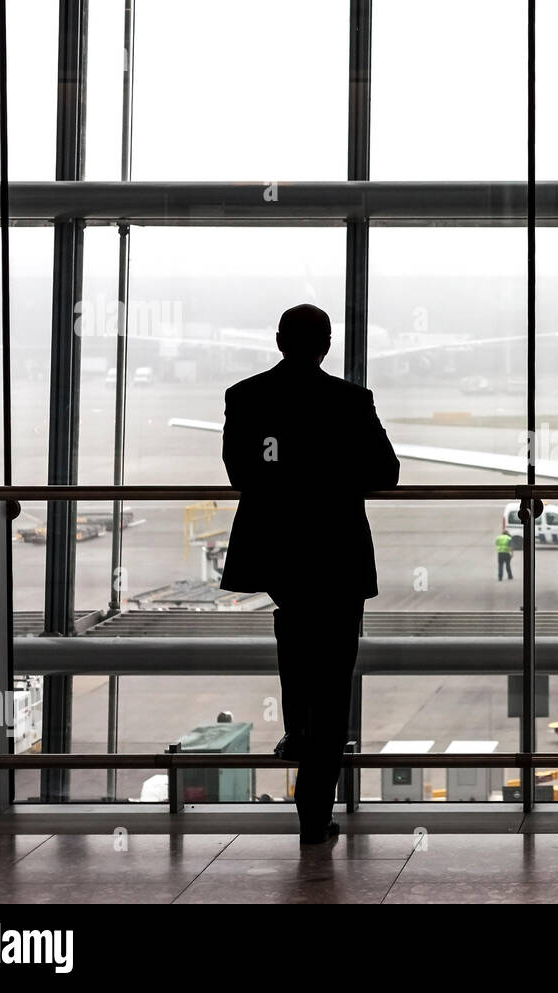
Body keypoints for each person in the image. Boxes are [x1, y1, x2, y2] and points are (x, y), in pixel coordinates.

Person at [218, 303, 399, 846]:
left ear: (278, 340)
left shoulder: (245, 396)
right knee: (335, 676)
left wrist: (285, 481)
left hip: (278, 554)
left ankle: (297, 729)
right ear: (326, 346)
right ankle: (314, 811)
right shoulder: (351, 401)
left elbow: (239, 473)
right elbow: (385, 474)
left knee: (296, 649)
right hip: (336, 553)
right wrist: (332, 476)